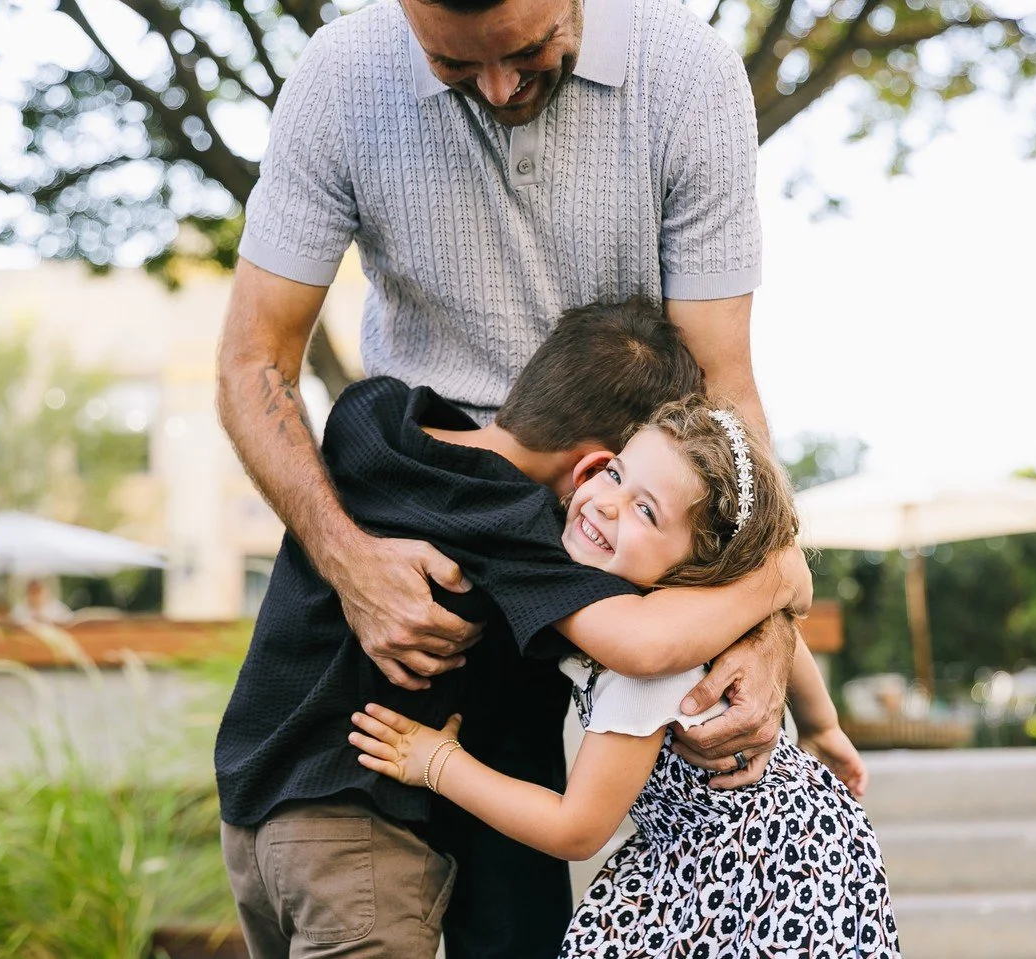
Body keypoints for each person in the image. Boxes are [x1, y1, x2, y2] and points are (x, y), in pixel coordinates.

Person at [216, 0, 794, 824]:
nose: (496, 87)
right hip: (411, 520)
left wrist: (766, 625)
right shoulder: (340, 75)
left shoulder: (688, 72)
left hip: (607, 541)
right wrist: (348, 560)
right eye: (452, 66)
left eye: (529, 49)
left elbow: (721, 384)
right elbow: (253, 362)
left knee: (530, 904)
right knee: (362, 859)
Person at [216, 299, 813, 959]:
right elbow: (643, 643)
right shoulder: (519, 529)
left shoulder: (371, 415)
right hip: (357, 837)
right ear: (590, 467)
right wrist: (779, 577)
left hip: (249, 810)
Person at [352, 396, 898, 958]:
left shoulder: (651, 670)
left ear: (700, 568)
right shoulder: (705, 611)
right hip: (710, 849)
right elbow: (784, 631)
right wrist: (821, 726)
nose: (608, 504)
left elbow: (578, 830)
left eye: (647, 511)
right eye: (615, 473)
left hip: (773, 870)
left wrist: (439, 762)